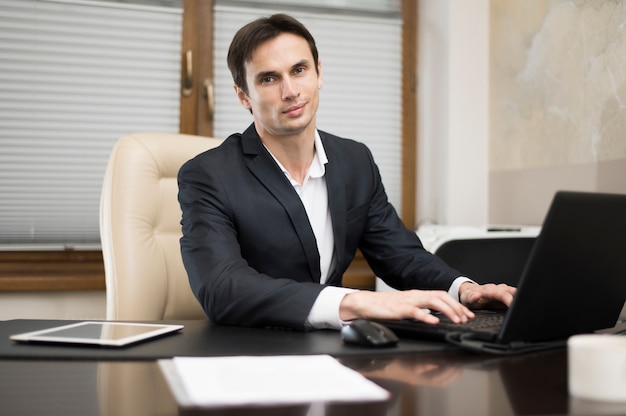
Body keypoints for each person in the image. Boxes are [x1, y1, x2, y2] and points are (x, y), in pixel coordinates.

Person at [178, 13, 515, 331]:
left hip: (335, 352)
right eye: (269, 79)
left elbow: (399, 255)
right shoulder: (208, 175)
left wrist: (463, 289)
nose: (290, 91)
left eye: (299, 70)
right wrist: (355, 302)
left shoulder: (355, 160)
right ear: (243, 96)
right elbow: (222, 288)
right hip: (250, 355)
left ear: (319, 73)